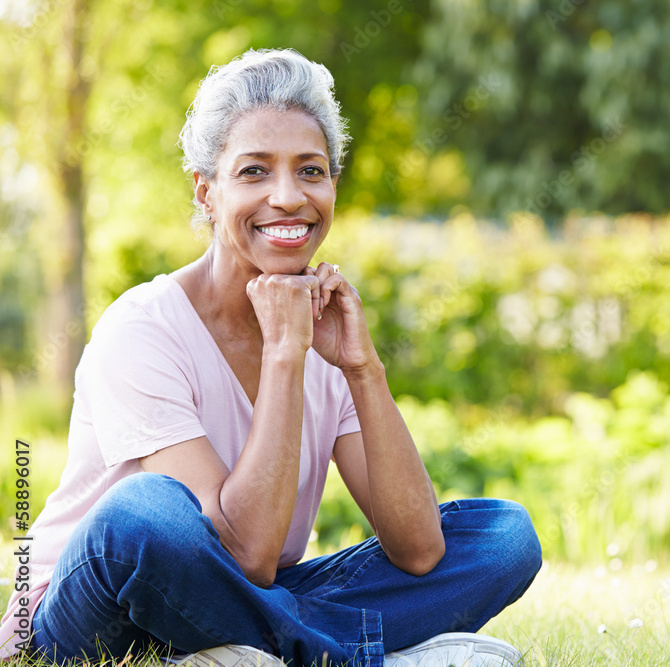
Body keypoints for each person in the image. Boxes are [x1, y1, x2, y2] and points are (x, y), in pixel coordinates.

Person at [0, 48, 541, 667]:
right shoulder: (142, 328)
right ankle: (355, 657)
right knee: (143, 514)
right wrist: (286, 355)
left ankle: (236, 652)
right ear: (206, 191)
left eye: (310, 171)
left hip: (236, 602)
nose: (287, 197)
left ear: (332, 185)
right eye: (254, 171)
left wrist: (362, 369)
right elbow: (245, 553)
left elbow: (419, 550)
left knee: (501, 538)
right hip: (85, 615)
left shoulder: (325, 327)